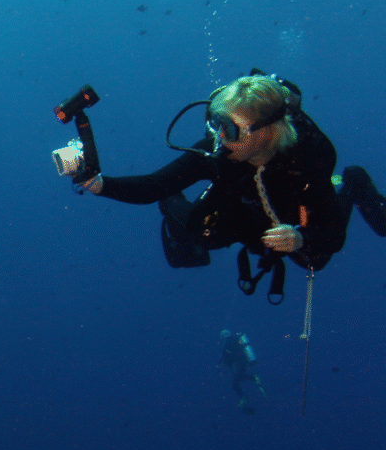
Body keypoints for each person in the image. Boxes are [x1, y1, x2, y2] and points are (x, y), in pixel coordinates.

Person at [76, 72, 386, 302]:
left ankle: (353, 184)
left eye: (228, 128)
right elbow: (153, 185)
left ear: (266, 131)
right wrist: (99, 184)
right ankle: (178, 205)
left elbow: (333, 234)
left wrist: (301, 238)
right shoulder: (219, 151)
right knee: (192, 238)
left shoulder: (307, 159)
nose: (218, 137)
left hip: (289, 213)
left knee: (314, 259)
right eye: (215, 121)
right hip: (242, 207)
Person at [218, 330, 267, 414]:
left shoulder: (226, 341)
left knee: (237, 381)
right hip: (242, 363)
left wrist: (217, 365)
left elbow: (222, 353)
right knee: (236, 382)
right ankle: (245, 395)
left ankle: (251, 383)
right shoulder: (235, 340)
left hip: (239, 364)